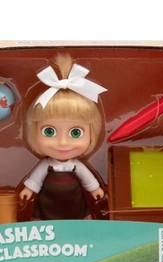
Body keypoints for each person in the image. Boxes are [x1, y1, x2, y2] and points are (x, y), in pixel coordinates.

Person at [19, 53, 107, 220]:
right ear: (33, 131)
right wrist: (29, 189)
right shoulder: (46, 165)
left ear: (92, 132)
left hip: (74, 203)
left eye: (75, 133)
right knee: (45, 219)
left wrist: (94, 189)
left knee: (76, 217)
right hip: (48, 203)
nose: (63, 142)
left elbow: (87, 178)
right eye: (49, 131)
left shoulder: (77, 166)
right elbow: (36, 180)